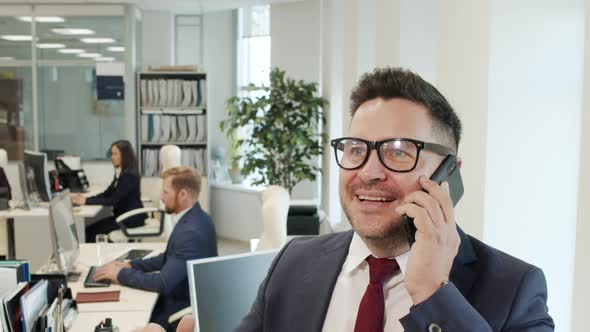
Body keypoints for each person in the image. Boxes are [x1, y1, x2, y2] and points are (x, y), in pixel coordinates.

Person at [231, 68, 554, 331]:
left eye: (398, 152)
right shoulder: (293, 261)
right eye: (356, 149)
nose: (369, 172)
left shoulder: (515, 290)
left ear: (449, 174)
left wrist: (433, 293)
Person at [93, 166, 218, 332]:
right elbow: (168, 257)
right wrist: (131, 265)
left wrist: (119, 274)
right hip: (179, 296)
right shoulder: (197, 217)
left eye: (165, 192)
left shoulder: (190, 232)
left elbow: (162, 283)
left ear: (182, 195)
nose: (161, 196)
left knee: (120, 319)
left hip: (178, 310)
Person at [72, 140, 146, 242]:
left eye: (115, 154)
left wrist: (86, 202)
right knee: (88, 231)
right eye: (112, 154)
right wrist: (86, 199)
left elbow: (113, 200)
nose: (112, 157)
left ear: (124, 155)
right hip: (122, 216)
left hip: (130, 219)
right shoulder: (122, 172)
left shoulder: (129, 175)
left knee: (89, 233)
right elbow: (106, 194)